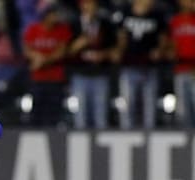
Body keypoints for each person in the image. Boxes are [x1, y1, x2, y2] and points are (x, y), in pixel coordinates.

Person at [113, 0, 168, 129]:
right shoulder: (125, 14)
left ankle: (150, 136)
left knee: (150, 106)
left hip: (150, 67)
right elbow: (121, 38)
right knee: (128, 105)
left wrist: (160, 50)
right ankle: (127, 136)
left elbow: (163, 39)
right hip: (129, 66)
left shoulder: (156, 16)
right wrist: (119, 51)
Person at [68, 0, 117, 129]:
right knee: (81, 118)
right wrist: (78, 44)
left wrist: (103, 55)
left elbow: (115, 50)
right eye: (88, 4)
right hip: (80, 74)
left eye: (94, 5)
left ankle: (99, 148)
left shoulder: (105, 25)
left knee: (101, 118)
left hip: (100, 74)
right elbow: (65, 51)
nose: (91, 8)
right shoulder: (74, 25)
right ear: (81, 6)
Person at [22, 3, 72, 126]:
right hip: (38, 78)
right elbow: (26, 49)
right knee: (36, 112)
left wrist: (42, 61)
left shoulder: (62, 29)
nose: (55, 16)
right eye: (52, 14)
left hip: (56, 78)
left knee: (54, 113)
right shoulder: (33, 29)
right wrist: (36, 57)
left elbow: (61, 52)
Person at [170, 0, 195, 127]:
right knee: (182, 111)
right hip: (180, 69)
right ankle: (187, 142)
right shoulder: (175, 21)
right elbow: (170, 45)